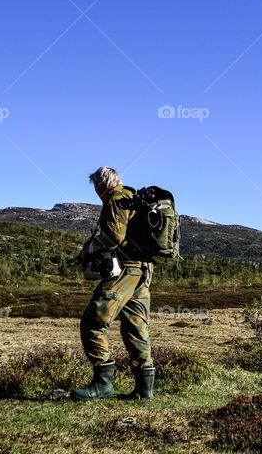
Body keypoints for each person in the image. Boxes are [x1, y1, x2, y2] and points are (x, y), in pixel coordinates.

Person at [71, 166, 155, 401]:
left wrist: (88, 248)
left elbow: (113, 237)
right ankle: (144, 389)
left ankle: (103, 384)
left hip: (125, 271)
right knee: (136, 328)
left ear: (100, 185)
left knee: (93, 323)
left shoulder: (117, 200)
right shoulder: (133, 197)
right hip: (143, 271)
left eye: (96, 187)